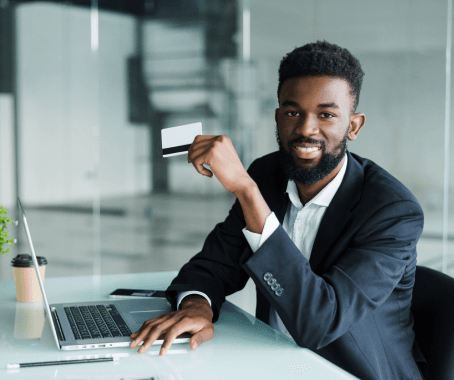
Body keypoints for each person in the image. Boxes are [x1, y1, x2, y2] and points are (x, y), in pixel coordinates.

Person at [129, 41, 426, 380]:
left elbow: (319, 322)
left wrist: (246, 190)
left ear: (353, 126)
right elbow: (213, 264)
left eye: (326, 115)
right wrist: (198, 307)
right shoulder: (267, 175)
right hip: (273, 362)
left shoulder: (392, 212)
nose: (305, 129)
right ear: (277, 117)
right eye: (292, 112)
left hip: (351, 373)